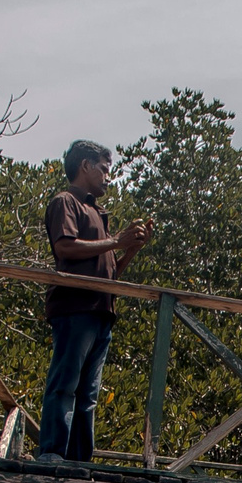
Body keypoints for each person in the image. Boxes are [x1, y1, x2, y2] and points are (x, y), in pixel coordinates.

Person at [40, 139, 157, 462]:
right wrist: (116, 240)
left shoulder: (96, 210)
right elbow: (64, 248)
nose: (108, 177)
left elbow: (109, 273)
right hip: (75, 306)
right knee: (65, 383)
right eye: (104, 169)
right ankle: (52, 453)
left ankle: (79, 460)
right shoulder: (66, 202)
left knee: (88, 394)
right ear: (85, 166)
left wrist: (130, 247)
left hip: (101, 309)